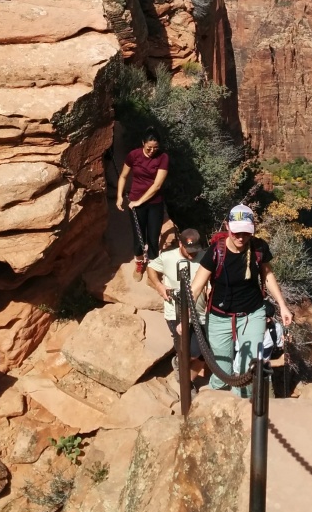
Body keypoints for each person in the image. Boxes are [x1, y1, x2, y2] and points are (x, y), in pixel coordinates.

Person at [189, 204, 293, 399]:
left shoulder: (258, 248)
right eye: (236, 232)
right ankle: (212, 404)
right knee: (222, 371)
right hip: (220, 317)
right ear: (228, 227)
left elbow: (268, 275)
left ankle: (243, 409)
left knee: (249, 368)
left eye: (246, 233)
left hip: (251, 314)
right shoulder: (215, 252)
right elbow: (195, 287)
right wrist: (185, 317)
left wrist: (283, 306)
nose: (241, 237)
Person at [147, 228, 207, 389]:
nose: (192, 254)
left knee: (203, 352)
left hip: (200, 312)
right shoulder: (167, 257)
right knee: (188, 351)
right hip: (175, 312)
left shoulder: (204, 257)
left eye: (195, 250)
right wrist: (159, 285)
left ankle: (187, 382)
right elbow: (151, 268)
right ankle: (182, 368)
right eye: (188, 251)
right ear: (180, 243)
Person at [116, 130, 169, 278]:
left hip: (154, 203)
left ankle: (153, 269)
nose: (152, 151)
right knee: (139, 239)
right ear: (143, 144)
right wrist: (119, 196)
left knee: (153, 238)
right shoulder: (134, 155)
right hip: (136, 202)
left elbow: (157, 185)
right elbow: (123, 176)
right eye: (149, 148)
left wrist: (139, 201)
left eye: (155, 148)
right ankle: (139, 264)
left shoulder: (163, 158)